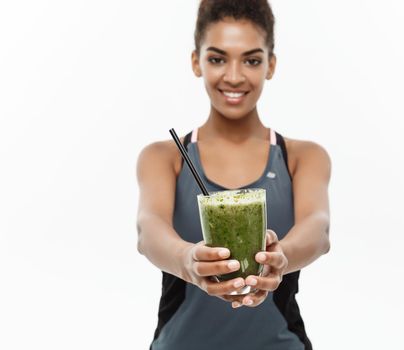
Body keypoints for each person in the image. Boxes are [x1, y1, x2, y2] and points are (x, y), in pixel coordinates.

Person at [136, 1, 331, 349]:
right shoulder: (164, 157)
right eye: (217, 58)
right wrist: (187, 262)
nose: (234, 76)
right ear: (196, 62)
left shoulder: (303, 157)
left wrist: (280, 257)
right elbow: (149, 232)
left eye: (252, 60)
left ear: (271, 65)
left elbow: (318, 230)